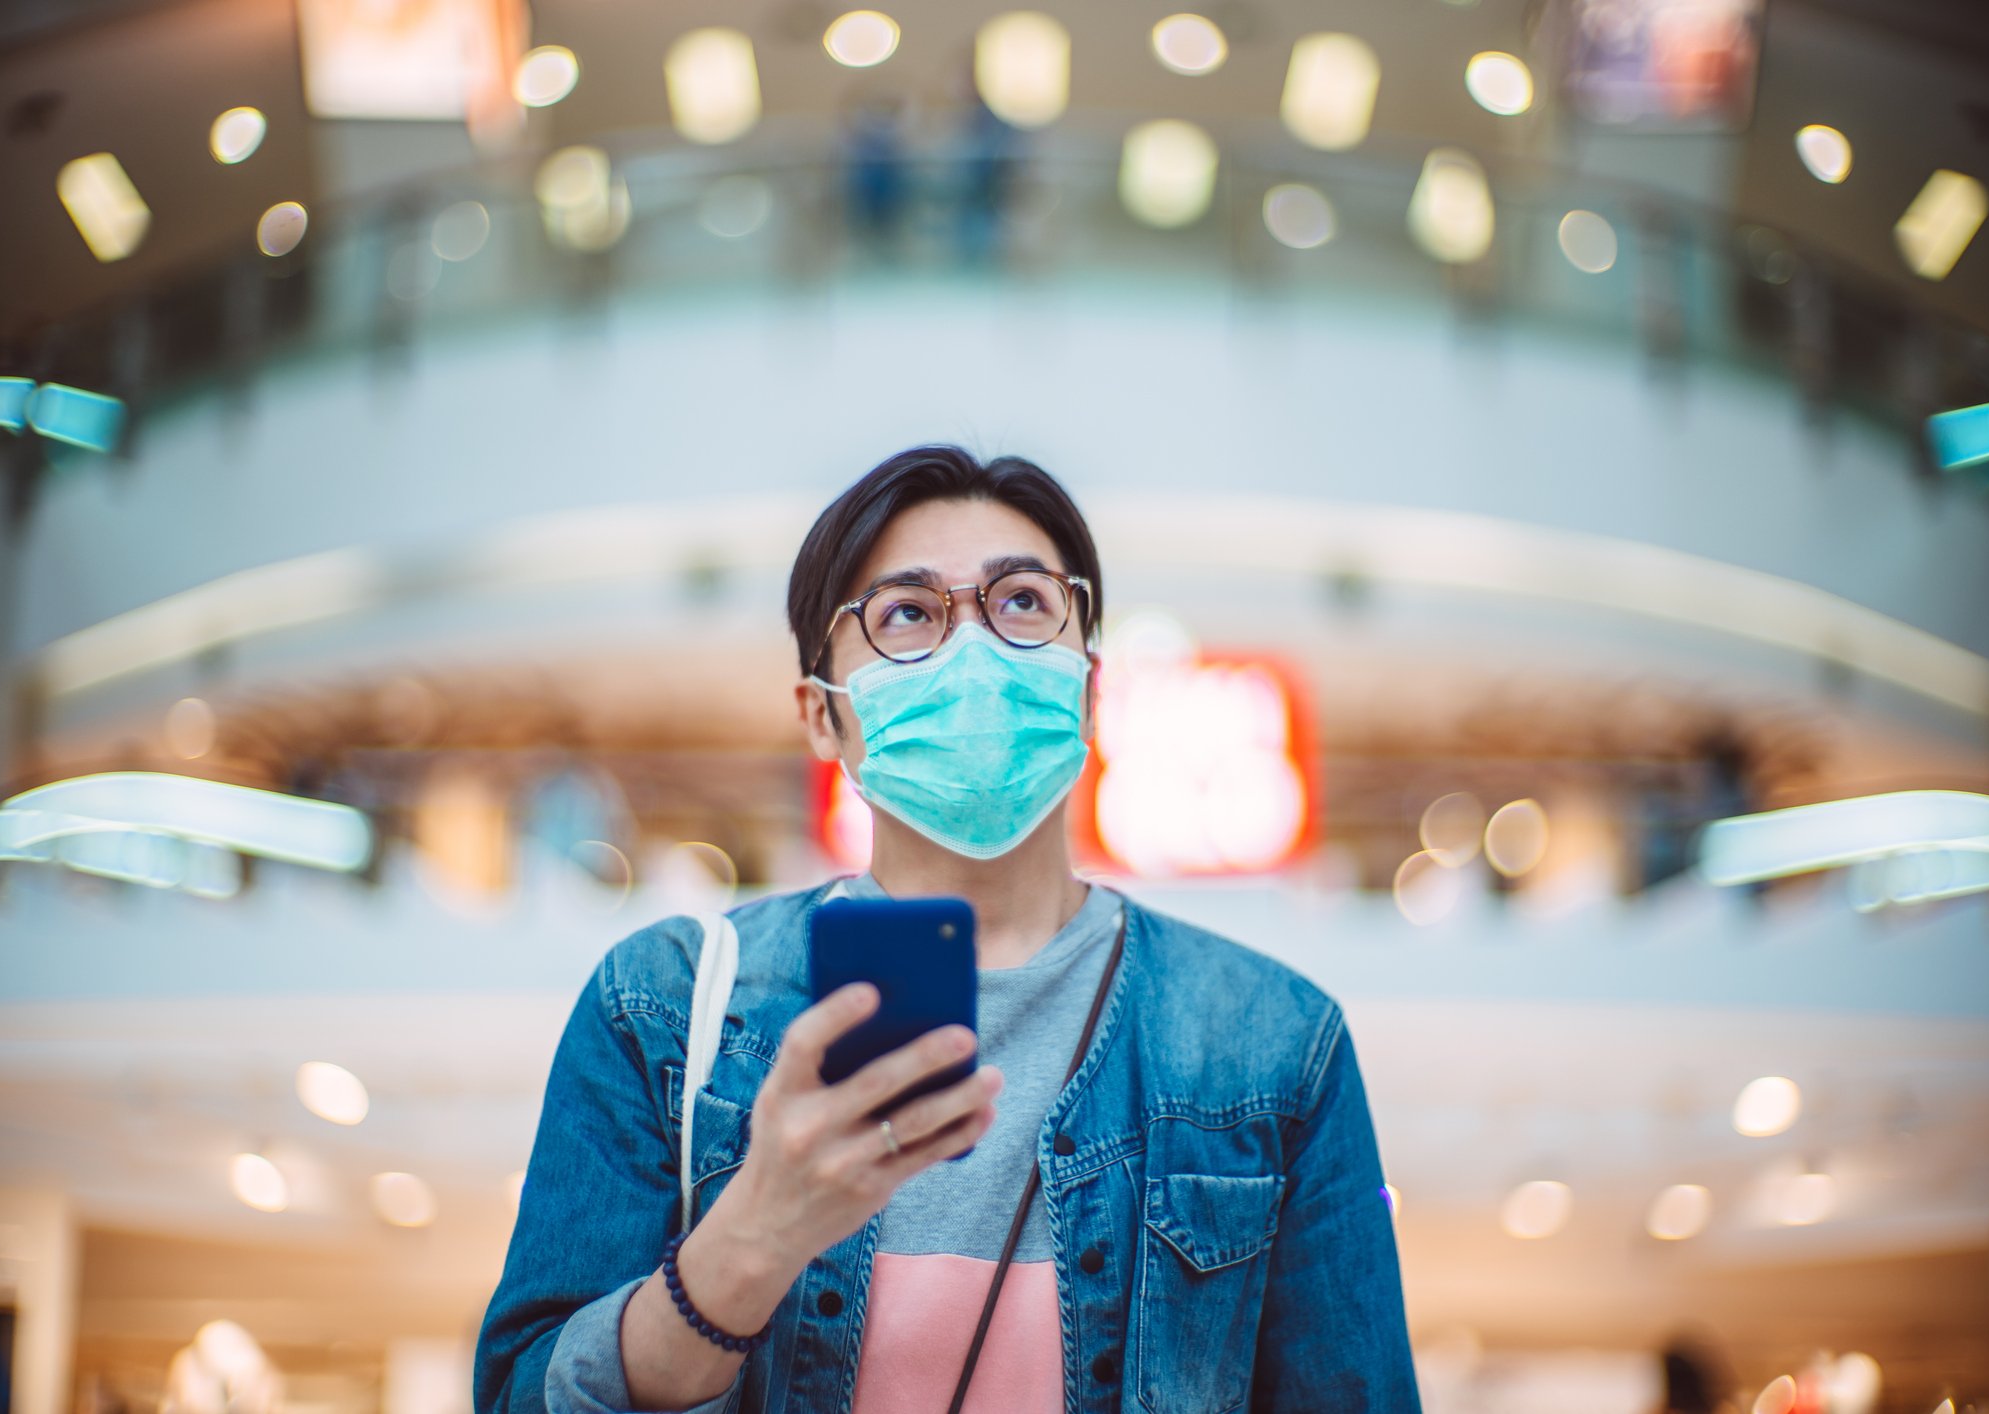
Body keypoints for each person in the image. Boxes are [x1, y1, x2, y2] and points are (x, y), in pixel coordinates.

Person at [473, 445, 1420, 1413]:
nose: (974, 649)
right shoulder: (665, 1010)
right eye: (906, 614)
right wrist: (747, 1242)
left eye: (1022, 601)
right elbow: (521, 1395)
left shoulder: (1271, 1042)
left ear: (1089, 687)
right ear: (822, 716)